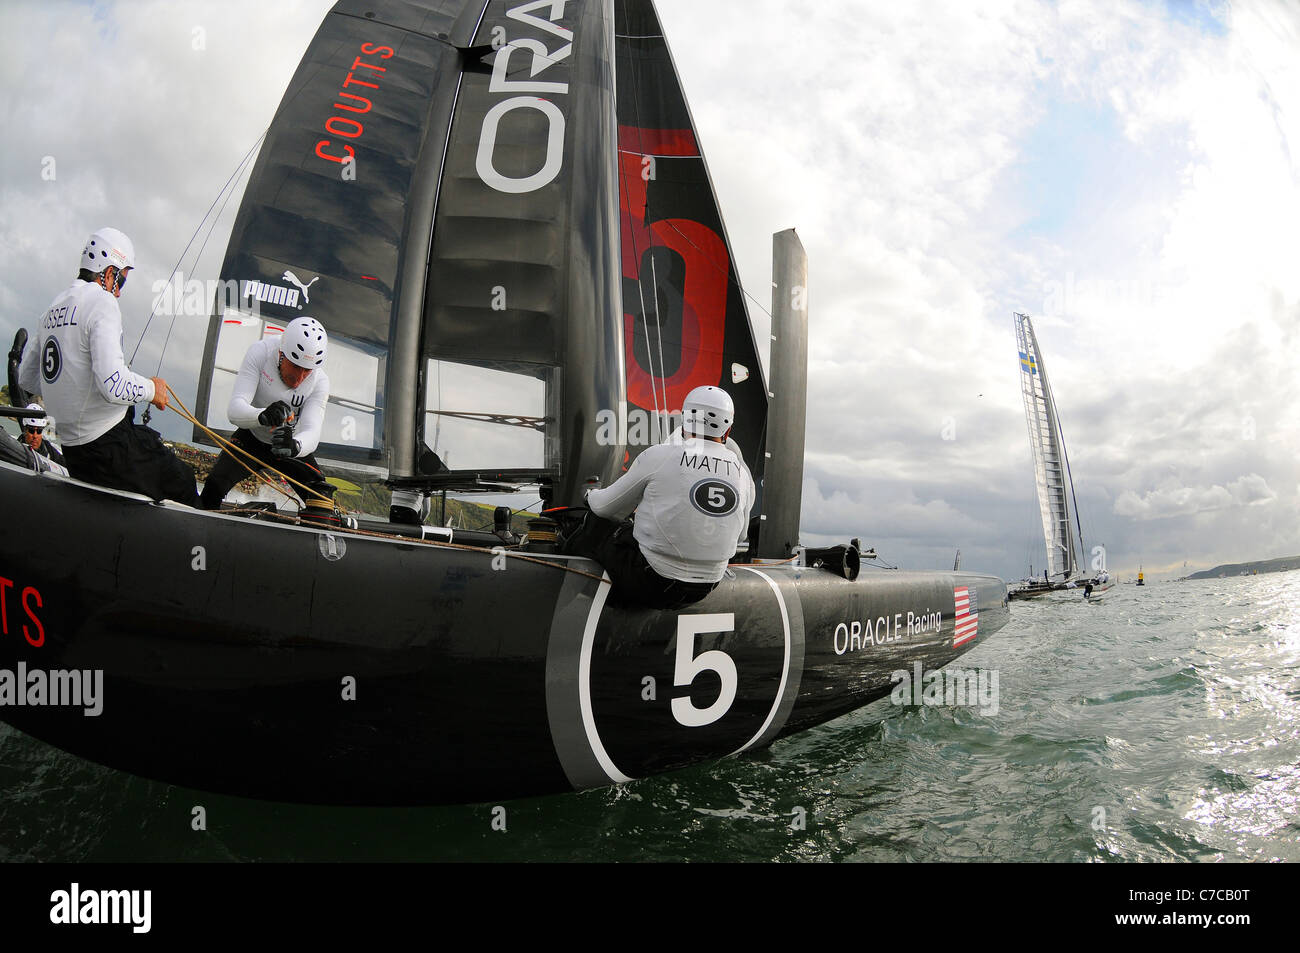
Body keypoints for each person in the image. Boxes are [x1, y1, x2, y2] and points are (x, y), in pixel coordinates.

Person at [18, 227, 200, 506]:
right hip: (109, 448)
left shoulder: (52, 309)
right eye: (122, 281)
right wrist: (153, 389)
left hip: (74, 451)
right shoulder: (101, 302)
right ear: (109, 272)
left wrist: (73, 386)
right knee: (185, 480)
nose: (119, 292)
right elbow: (113, 385)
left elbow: (27, 380)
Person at [560, 385, 755, 610]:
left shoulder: (659, 455)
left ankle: (558, 589)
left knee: (594, 524)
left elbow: (604, 508)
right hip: (704, 589)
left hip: (651, 582)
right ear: (727, 430)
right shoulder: (742, 473)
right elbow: (741, 535)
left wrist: (590, 495)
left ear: (685, 419)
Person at [200, 317, 335, 512]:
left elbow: (312, 430)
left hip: (288, 443)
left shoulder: (320, 381)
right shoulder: (261, 352)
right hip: (252, 437)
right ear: (281, 354)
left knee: (322, 501)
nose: (299, 378)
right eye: (295, 366)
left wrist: (295, 446)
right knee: (214, 486)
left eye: (307, 371)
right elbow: (235, 409)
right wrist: (262, 415)